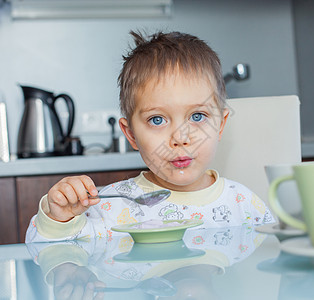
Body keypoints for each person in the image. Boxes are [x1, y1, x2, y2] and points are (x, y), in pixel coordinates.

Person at [26, 30, 275, 243]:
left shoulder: (245, 205)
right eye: (158, 120)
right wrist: (59, 218)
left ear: (220, 126)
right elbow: (47, 255)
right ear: (131, 134)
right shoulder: (110, 207)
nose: (180, 138)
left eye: (197, 116)